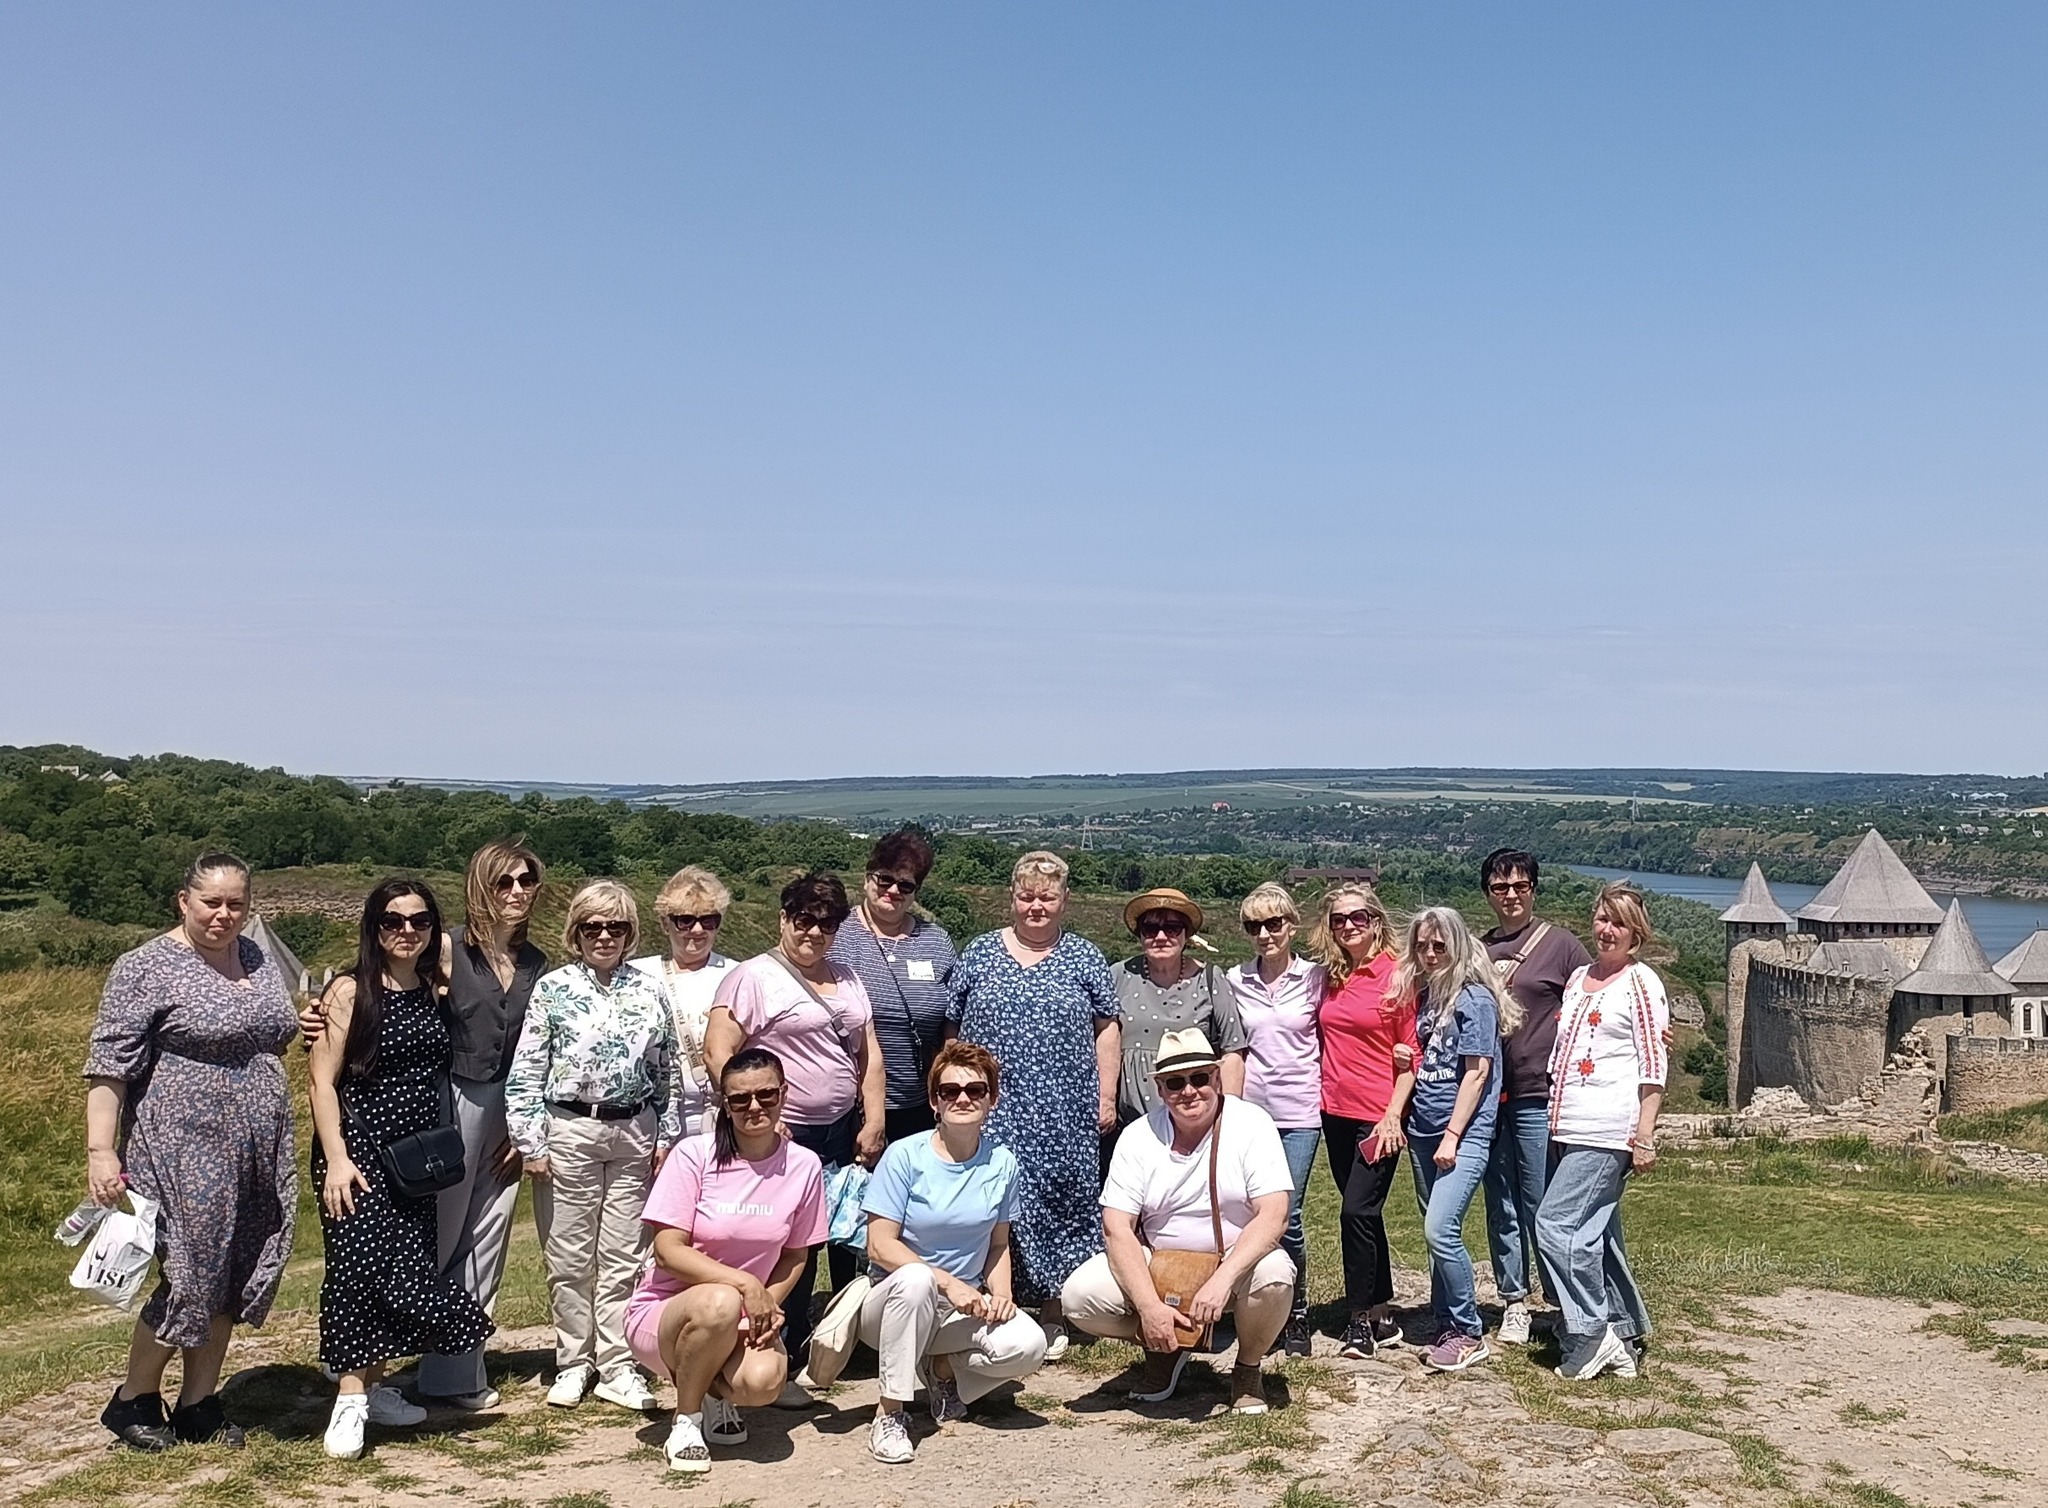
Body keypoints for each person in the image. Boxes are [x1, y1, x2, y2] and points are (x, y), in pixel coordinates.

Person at [83, 853, 299, 1453]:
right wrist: (101, 1151)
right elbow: (109, 1066)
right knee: (191, 1271)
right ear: (185, 901)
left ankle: (199, 1402)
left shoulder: (254, 956)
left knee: (238, 1264)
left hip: (257, 1141)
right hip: (182, 1144)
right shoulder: (145, 967)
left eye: (237, 904)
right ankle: (133, 1399)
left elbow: (268, 1032)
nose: (224, 915)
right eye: (212, 903)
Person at [307, 881, 494, 1459]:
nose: (406, 931)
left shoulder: (429, 987)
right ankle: (350, 1400)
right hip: (357, 1152)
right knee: (358, 1273)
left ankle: (378, 1386)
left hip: (414, 1159)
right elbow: (321, 1081)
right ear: (373, 926)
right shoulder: (349, 990)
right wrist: (336, 1158)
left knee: (406, 1269)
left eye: (419, 921)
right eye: (392, 921)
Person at [506, 880, 681, 1414]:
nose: (605, 936)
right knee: (569, 1253)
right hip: (570, 1130)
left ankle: (618, 1363)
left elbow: (666, 1068)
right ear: (575, 932)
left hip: (634, 1132)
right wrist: (530, 1142)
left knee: (626, 1253)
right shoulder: (553, 988)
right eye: (593, 927)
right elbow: (527, 1070)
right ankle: (573, 1360)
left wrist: (666, 1136)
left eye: (616, 927)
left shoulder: (650, 989)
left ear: (630, 933)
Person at [703, 872, 884, 1374]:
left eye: (826, 924)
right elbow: (719, 1050)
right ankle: (784, 1341)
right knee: (793, 1240)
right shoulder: (751, 978)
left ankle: (843, 1339)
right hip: (787, 1132)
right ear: (784, 918)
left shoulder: (847, 977)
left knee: (851, 1234)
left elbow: (868, 1054)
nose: (814, 933)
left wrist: (873, 1118)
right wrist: (757, 1114)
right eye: (804, 920)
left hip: (842, 1127)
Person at [1062, 1029, 1294, 1415]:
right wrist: (1149, 1307)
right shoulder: (1137, 1136)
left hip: (1233, 1262)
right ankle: (1165, 1345)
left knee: (1274, 1277)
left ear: (1216, 1078)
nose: (1189, 1091)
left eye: (1199, 1078)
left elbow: (1275, 1214)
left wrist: (1222, 1281)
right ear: (1159, 1089)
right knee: (1079, 1298)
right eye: (1175, 1082)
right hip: (1161, 1266)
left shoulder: (1252, 1123)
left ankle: (1248, 1368)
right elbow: (1116, 1227)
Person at [946, 850, 1120, 1359]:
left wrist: (1106, 1095)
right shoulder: (979, 953)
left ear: (1065, 900)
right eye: (1027, 896)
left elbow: (1107, 1027)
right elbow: (952, 1028)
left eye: (1047, 896)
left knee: (1062, 1199)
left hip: (1065, 1107)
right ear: (1012, 898)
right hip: (990, 1108)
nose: (1036, 906)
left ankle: (1055, 1307)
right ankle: (998, 1303)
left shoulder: (1085, 957)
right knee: (996, 1202)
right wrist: (953, 1089)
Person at [626, 1048, 826, 1475]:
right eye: (739, 1099)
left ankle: (715, 1395)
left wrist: (768, 1302)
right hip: (668, 1311)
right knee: (718, 1301)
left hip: (745, 1313)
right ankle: (686, 1420)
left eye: (766, 1095)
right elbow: (668, 1250)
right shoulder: (693, 1155)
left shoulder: (805, 1166)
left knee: (765, 1383)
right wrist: (744, 1285)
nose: (754, 1107)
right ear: (724, 1103)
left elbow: (796, 1253)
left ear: (784, 1094)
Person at [860, 1040, 1047, 1464]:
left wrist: (1002, 1295)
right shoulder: (903, 1156)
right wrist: (951, 1283)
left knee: (1029, 1345)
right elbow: (879, 1244)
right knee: (916, 1278)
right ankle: (890, 1413)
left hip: (959, 1309)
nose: (963, 1098)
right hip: (895, 1302)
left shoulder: (1003, 1164)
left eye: (975, 1090)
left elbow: (998, 1244)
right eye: (949, 1091)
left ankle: (943, 1371)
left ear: (992, 1099)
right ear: (934, 1101)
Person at [417, 839, 547, 1410]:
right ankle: (376, 1358)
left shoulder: (538, 965)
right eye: (505, 882)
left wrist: (526, 1130)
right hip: (450, 1101)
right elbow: (376, 991)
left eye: (526, 882)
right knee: (439, 1235)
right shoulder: (445, 951)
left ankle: (456, 1371)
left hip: (512, 1107)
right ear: (481, 886)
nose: (517, 892)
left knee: (488, 1236)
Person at [1536, 883, 1668, 1382]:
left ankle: (1591, 1333)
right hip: (1568, 1123)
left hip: (1607, 1127)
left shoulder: (1641, 983)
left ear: (1636, 933)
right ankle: (1623, 1330)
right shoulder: (1577, 978)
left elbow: (1654, 1065)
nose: (1607, 930)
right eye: (1601, 919)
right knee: (1593, 1234)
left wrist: (1645, 1134)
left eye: (1619, 922)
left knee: (1556, 1226)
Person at [1395, 906, 1519, 1373]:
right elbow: (1437, 1060)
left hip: (1459, 1136)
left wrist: (1452, 1136)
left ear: (1459, 946)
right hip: (1424, 1130)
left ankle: (1467, 1332)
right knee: (1436, 1231)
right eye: (1422, 946)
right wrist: (1410, 1057)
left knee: (1439, 1229)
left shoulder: (1475, 1000)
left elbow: (1477, 1072)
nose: (1429, 954)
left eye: (1439, 946)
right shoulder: (1431, 996)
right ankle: (1446, 1320)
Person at [1476, 848, 1591, 1348]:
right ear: (1488, 894)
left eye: (1520, 886)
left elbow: (1597, 999)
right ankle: (1514, 1301)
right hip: (1485, 1095)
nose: (1511, 895)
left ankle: (1562, 1301)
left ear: (1533, 890)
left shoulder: (1561, 947)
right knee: (1499, 1202)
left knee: (1542, 1202)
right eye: (1501, 887)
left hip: (1536, 1093)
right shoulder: (1477, 951)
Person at [1310, 885, 1416, 1361]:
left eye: (1357, 917)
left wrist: (1394, 1115)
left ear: (1376, 920)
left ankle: (1358, 1324)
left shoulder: (1398, 976)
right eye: (1338, 920)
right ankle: (1383, 1309)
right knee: (1366, 1215)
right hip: (1334, 1111)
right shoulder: (1331, 976)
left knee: (1355, 1211)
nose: (1348, 925)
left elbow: (1410, 1054)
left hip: (1378, 1117)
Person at [1224, 881, 1324, 1357]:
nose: (1265, 934)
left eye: (1274, 923)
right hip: (1250, 1112)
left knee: (1289, 1215)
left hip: (1301, 1110)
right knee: (1247, 1213)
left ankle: (1295, 1309)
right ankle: (1248, 1301)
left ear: (1291, 925)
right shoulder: (1233, 979)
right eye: (1254, 925)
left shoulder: (1316, 979)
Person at [831, 830, 959, 1143]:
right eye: (884, 879)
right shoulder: (835, 935)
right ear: (866, 879)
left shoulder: (937, 942)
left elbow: (953, 1022)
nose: (893, 890)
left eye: (905, 885)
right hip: (848, 1105)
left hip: (920, 1104)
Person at [1110, 887, 1247, 1129]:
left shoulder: (1210, 978)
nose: (1160, 937)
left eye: (1172, 928)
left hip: (1193, 1120)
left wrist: (1229, 1116)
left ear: (1186, 934)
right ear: (1139, 934)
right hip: (1127, 1121)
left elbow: (1232, 1050)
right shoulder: (1118, 975)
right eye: (1150, 929)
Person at [630, 866, 739, 1140]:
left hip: (720, 1115)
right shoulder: (637, 975)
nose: (698, 930)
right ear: (665, 924)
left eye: (709, 920)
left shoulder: (740, 975)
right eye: (685, 921)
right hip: (653, 1118)